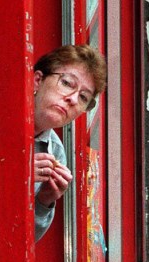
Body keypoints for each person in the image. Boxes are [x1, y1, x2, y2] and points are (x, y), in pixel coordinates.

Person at [32, 44, 108, 242]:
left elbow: (25, 241)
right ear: (37, 80)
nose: (73, 99)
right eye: (66, 83)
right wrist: (16, 174)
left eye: (84, 97)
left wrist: (45, 200)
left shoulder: (55, 151)